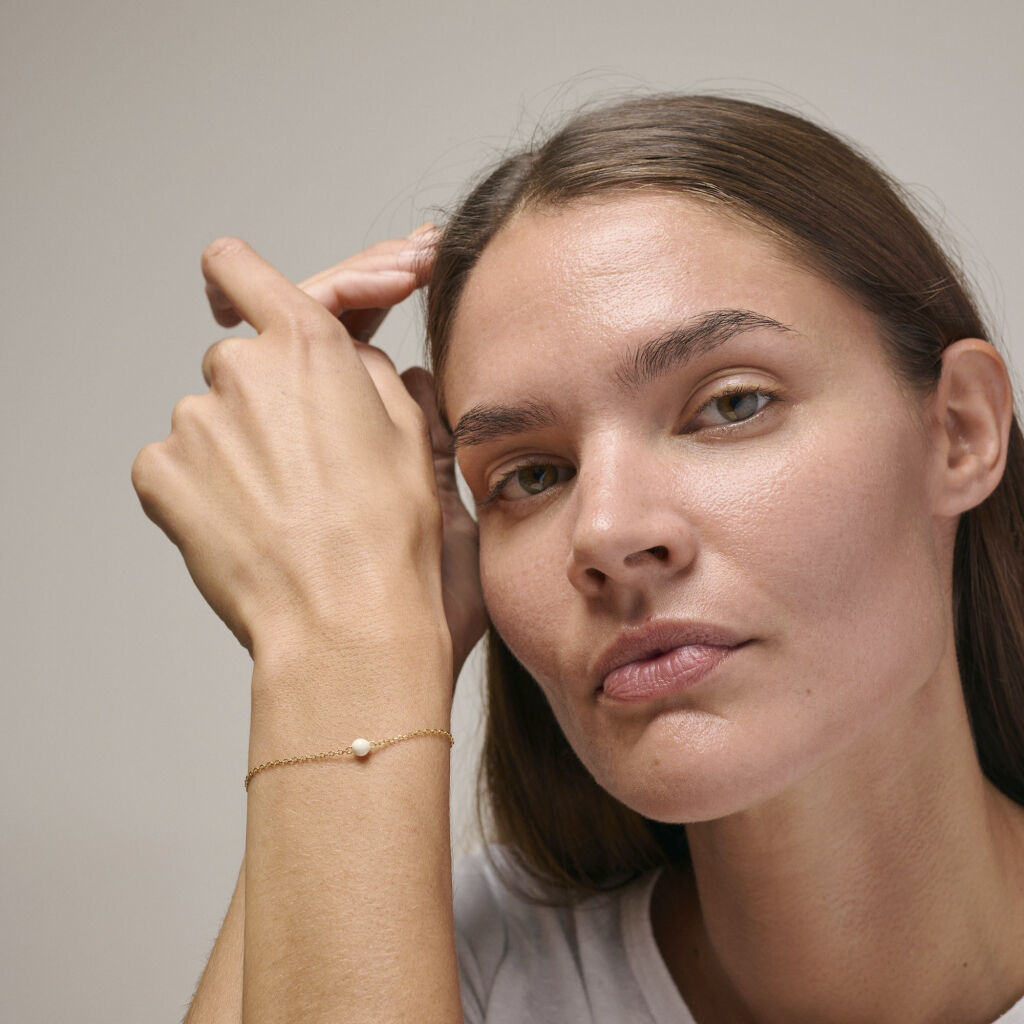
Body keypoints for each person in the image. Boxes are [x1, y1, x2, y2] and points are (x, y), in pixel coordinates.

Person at [132, 94, 1024, 1023]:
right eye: (534, 474)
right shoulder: (455, 968)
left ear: (958, 431)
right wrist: (342, 620)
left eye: (730, 405)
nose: (603, 532)